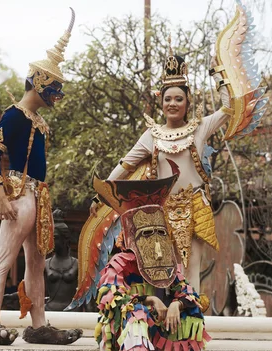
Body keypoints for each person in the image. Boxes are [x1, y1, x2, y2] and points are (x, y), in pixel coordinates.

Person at [0, 8, 82, 346]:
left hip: (38, 195)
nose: (58, 94)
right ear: (39, 82)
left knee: (36, 262)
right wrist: (0, 197)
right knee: (4, 258)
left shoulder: (36, 120)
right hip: (19, 192)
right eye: (54, 87)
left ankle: (38, 324)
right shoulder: (15, 116)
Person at [90, 47, 232, 293]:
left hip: (194, 207)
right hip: (162, 210)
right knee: (162, 269)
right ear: (161, 101)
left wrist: (217, 72)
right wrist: (102, 192)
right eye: (168, 99)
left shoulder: (200, 128)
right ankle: (163, 326)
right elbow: (126, 164)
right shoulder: (151, 135)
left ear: (187, 102)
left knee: (190, 270)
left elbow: (228, 109)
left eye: (178, 99)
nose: (173, 104)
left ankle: (191, 326)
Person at [93, 162, 210, 351]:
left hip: (158, 325)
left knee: (190, 314)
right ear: (131, 236)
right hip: (125, 327)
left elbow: (188, 292)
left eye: (159, 233)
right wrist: (147, 302)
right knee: (136, 314)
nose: (155, 242)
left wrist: (177, 303)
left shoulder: (167, 264)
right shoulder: (120, 263)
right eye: (147, 234)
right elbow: (110, 299)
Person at [44, 209, 79, 312]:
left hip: (72, 312)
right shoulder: (46, 264)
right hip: (49, 310)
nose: (52, 242)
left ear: (65, 239)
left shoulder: (77, 264)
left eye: (55, 238)